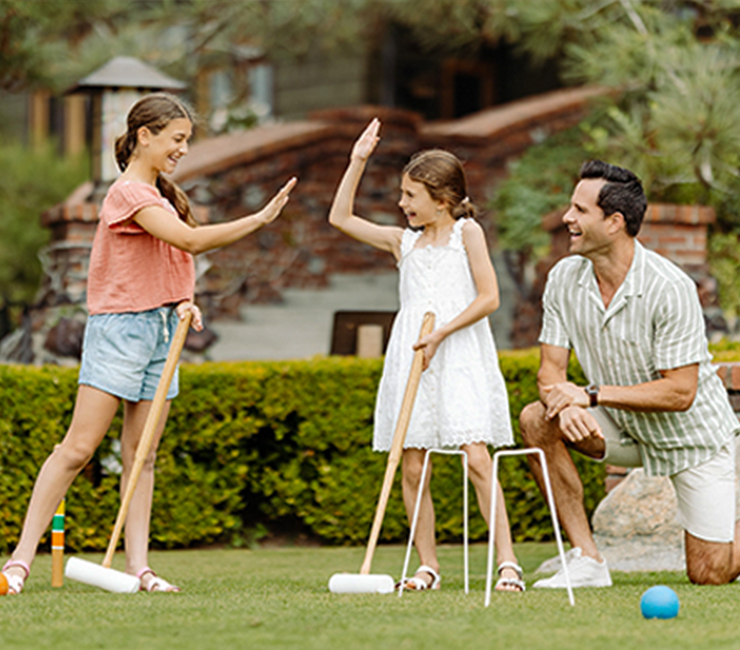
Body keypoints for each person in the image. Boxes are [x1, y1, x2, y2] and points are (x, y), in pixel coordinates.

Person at [1, 93, 297, 594]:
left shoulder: (160, 196)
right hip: (119, 330)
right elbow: (190, 242)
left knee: (144, 454)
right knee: (77, 448)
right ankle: (19, 562)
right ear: (145, 136)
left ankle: (139, 568)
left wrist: (184, 299)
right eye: (177, 139)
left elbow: (169, 261)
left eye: (186, 140)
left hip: (162, 328)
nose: (183, 149)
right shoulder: (126, 195)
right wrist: (259, 219)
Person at [520, 159, 740, 588]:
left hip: (692, 438)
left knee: (710, 573)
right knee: (535, 419)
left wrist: (590, 395)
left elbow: (681, 392)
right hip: (619, 429)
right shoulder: (563, 277)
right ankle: (587, 560)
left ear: (615, 222)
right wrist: (559, 401)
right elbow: (550, 372)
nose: (567, 218)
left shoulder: (669, 287)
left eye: (580, 211)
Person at [328, 119, 523, 592]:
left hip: (457, 353)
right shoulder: (403, 241)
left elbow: (489, 298)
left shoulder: (467, 233)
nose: (401, 204)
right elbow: (340, 218)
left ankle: (509, 565)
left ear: (442, 199)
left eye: (411, 196)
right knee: (413, 465)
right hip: (412, 354)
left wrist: (443, 333)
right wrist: (357, 160)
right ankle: (428, 565)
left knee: (476, 458)